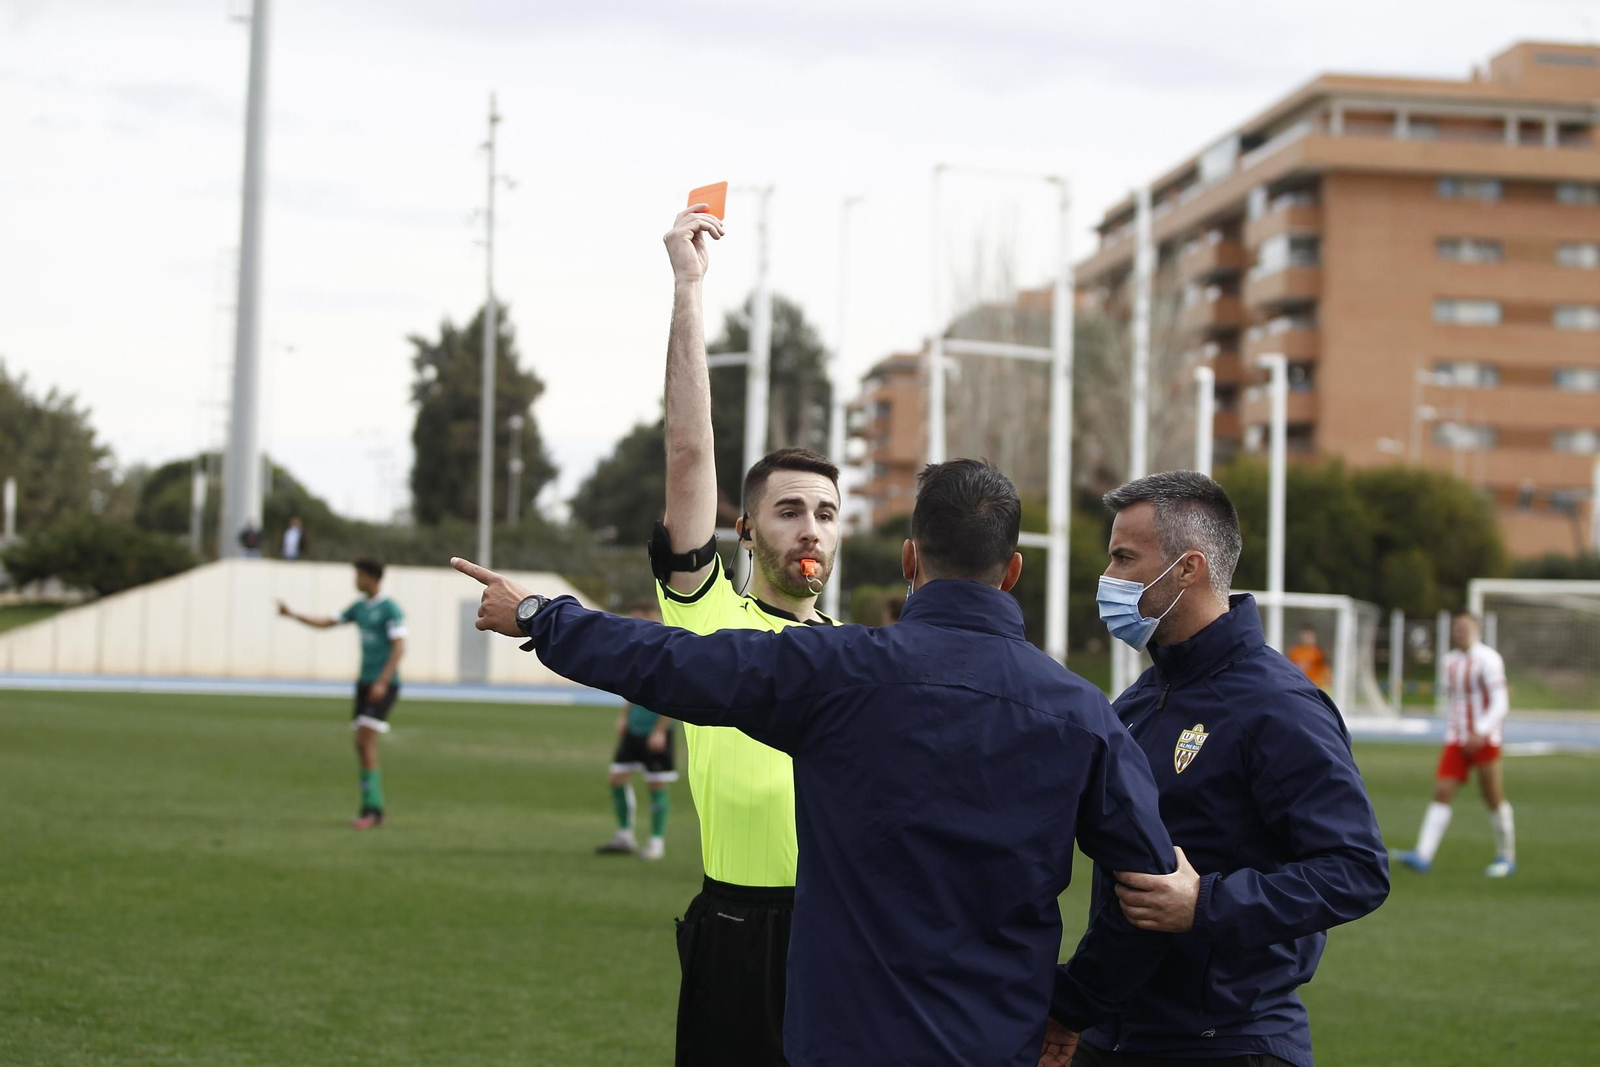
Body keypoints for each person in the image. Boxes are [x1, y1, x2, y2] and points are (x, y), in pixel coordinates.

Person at [454, 459, 1178, 1067]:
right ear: (1013, 569)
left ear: (909, 557)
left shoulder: (838, 672)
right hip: (997, 1040)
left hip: (843, 1040)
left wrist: (539, 615)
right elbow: (1149, 890)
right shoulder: (1085, 714)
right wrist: (1075, 1002)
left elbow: (676, 662)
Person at [1054, 471, 1389, 1067]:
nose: (1107, 579)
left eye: (1124, 558)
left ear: (1188, 569)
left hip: (1229, 1043)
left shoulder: (1277, 704)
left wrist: (1205, 903)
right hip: (1114, 1037)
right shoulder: (1136, 701)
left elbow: (1356, 870)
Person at [634, 203, 847, 1064]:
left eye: (827, 513)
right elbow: (688, 455)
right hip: (739, 927)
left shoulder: (855, 649)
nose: (811, 528)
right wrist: (688, 289)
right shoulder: (711, 613)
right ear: (747, 530)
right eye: (790, 509)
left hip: (845, 933)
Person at [277, 558, 406, 829]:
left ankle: (373, 810)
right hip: (364, 682)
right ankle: (373, 808)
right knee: (361, 744)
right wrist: (293, 614)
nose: (355, 581)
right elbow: (327, 622)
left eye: (358, 575)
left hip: (382, 684)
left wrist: (383, 682)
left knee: (365, 741)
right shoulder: (359, 608)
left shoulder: (389, 609)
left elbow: (398, 647)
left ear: (371, 577)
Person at [1396, 612, 1515, 877]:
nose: (1460, 631)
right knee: (1442, 791)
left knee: (1492, 796)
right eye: (1457, 627)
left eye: (1465, 627)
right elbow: (1456, 702)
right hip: (1456, 739)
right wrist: (1454, 731)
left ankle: (1507, 857)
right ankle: (1423, 855)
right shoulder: (1449, 661)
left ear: (1477, 629)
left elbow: (1501, 702)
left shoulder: (1489, 659)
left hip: (1485, 739)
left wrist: (1481, 730)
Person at [596, 602, 677, 861]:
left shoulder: (668, 653)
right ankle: (624, 835)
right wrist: (624, 716)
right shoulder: (638, 652)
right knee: (617, 778)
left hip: (655, 731)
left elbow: (674, 697)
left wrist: (661, 730)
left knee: (656, 784)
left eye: (638, 619)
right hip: (634, 727)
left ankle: (656, 841)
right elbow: (631, 688)